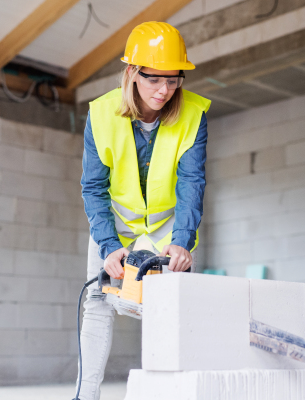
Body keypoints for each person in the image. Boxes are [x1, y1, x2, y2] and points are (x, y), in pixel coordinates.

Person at [76, 21, 210, 400]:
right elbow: (93, 186)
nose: (165, 90)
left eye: (173, 79)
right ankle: (85, 395)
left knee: (172, 306)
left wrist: (182, 241)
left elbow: (191, 183)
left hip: (169, 221)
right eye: (154, 79)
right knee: (98, 302)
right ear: (133, 72)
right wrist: (108, 246)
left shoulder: (194, 114)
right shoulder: (101, 114)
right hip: (116, 216)